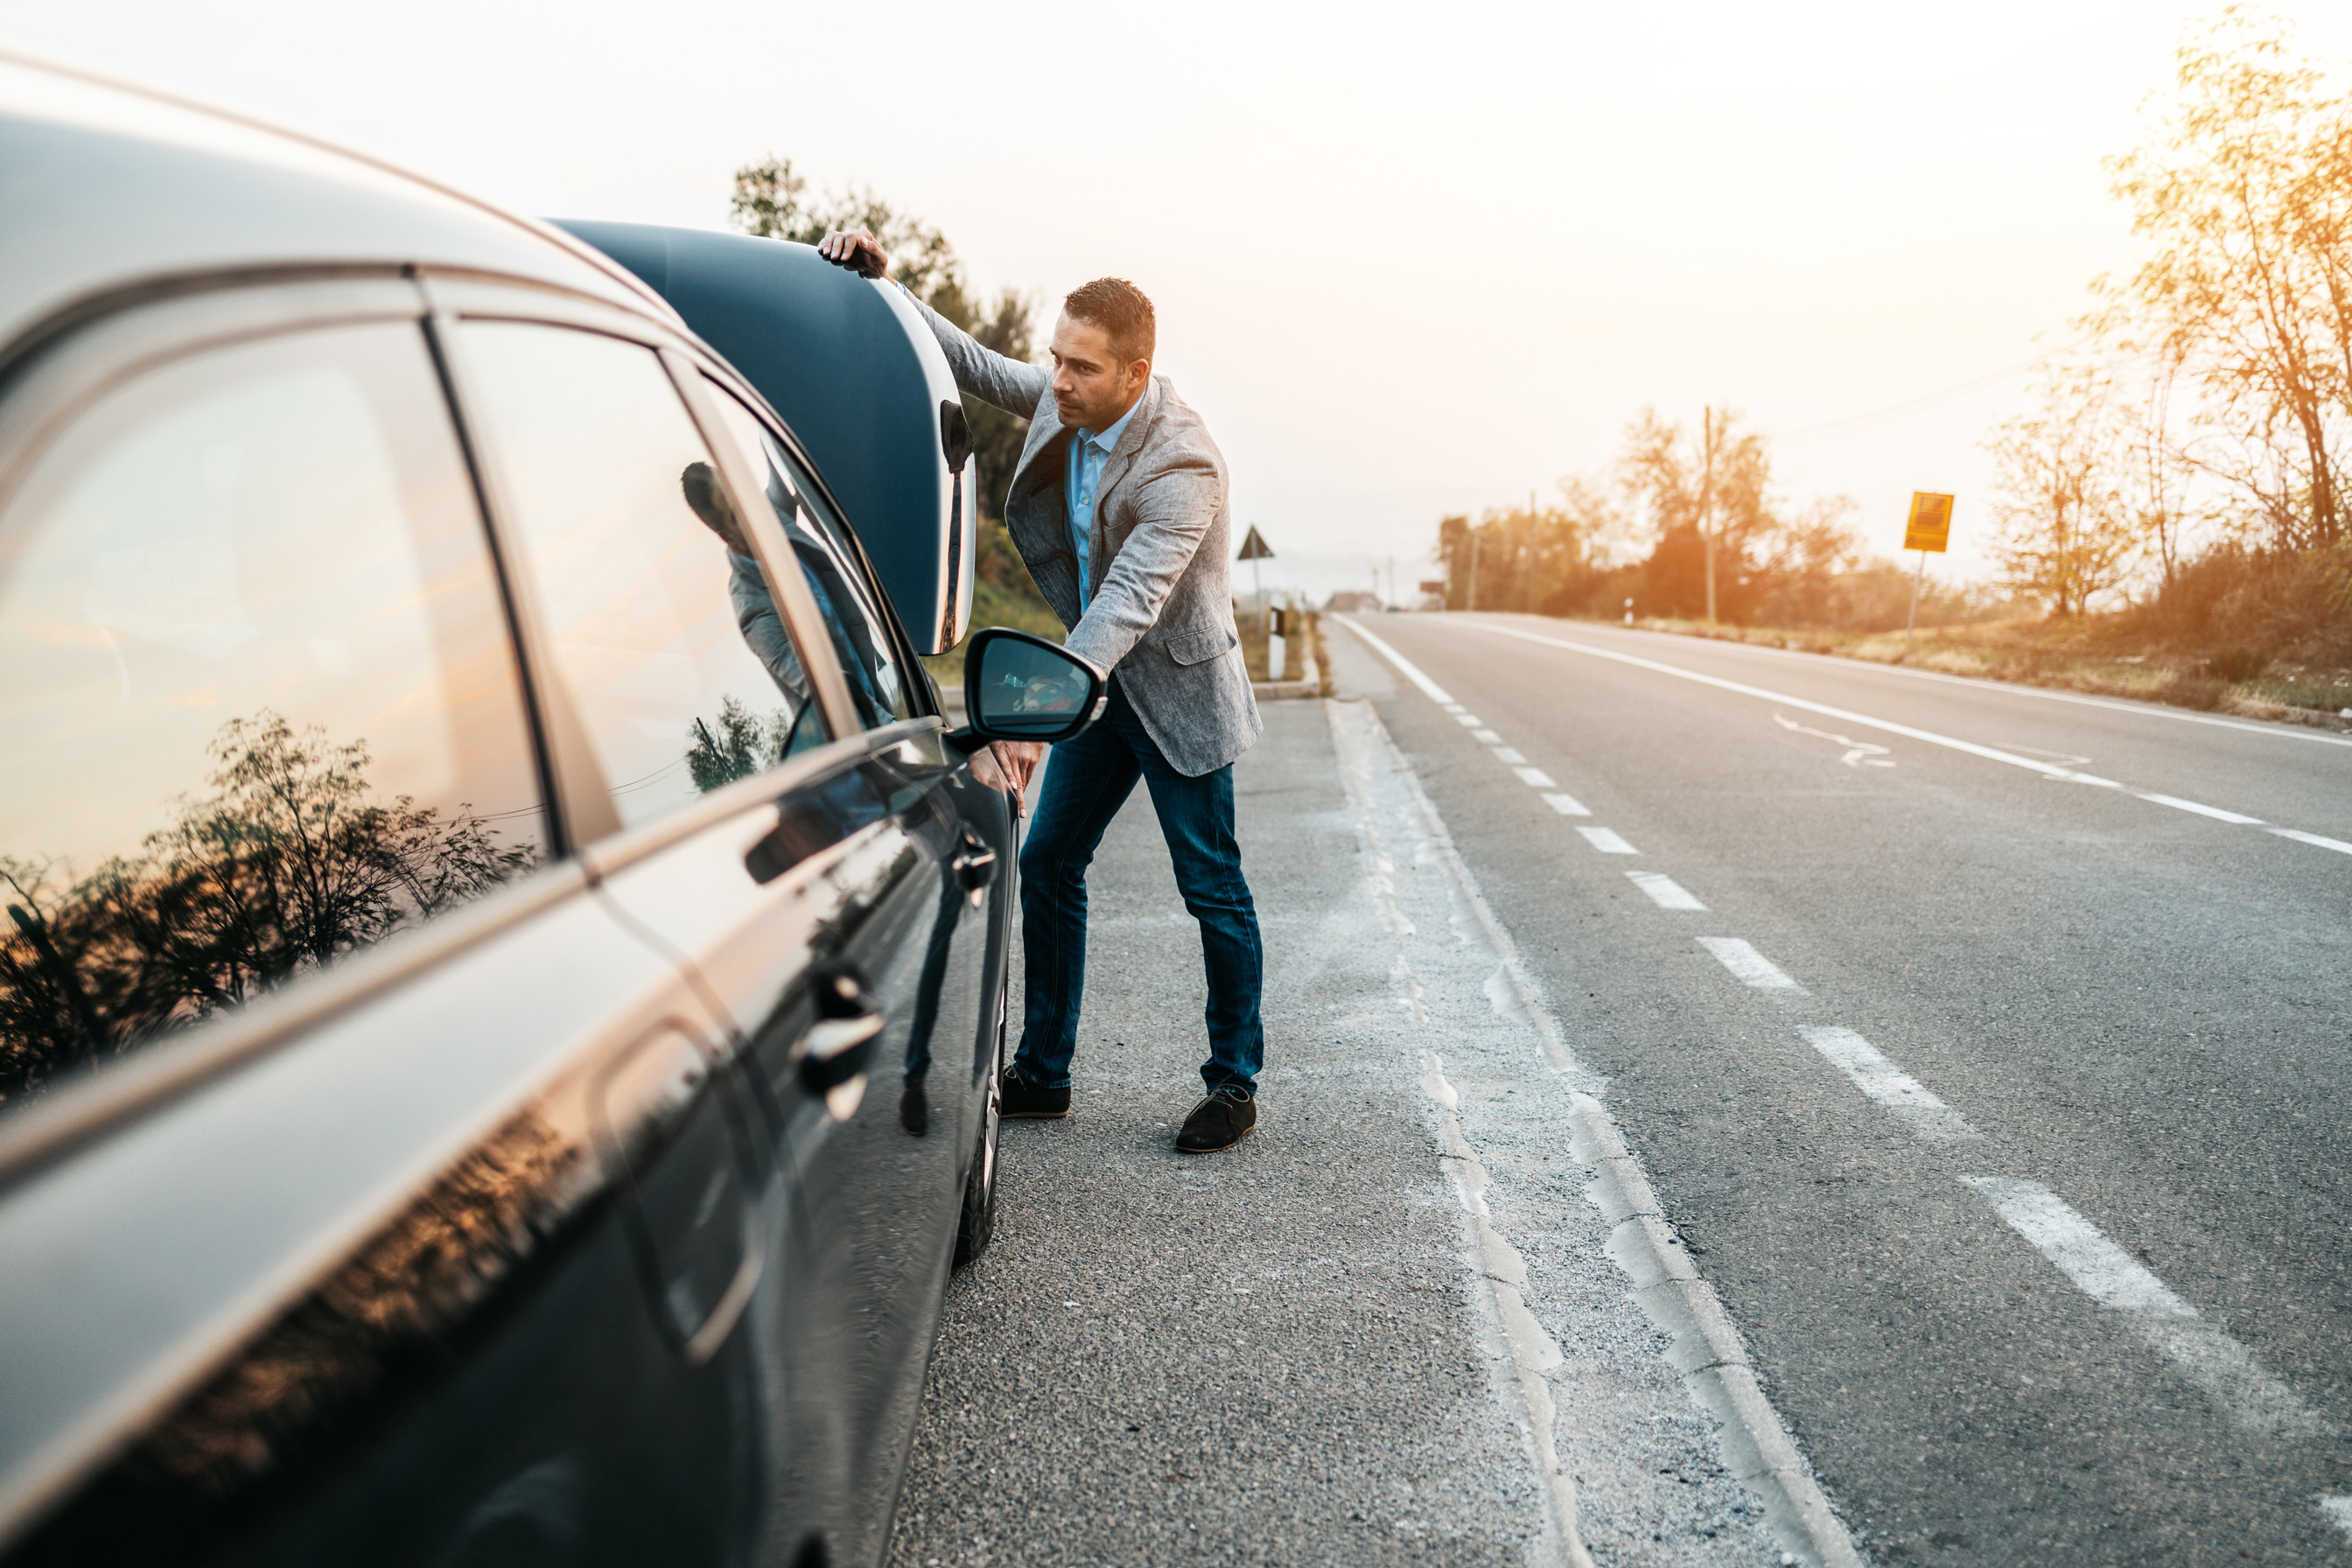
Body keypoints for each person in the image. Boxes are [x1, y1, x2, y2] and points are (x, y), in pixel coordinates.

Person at [819, 228, 1264, 1154]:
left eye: (1082, 369)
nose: (1058, 381)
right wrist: (883, 287)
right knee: (1050, 860)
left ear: (1136, 374)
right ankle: (1045, 1071)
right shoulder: (1070, 399)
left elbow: (1130, 601)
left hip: (1173, 692)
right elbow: (977, 364)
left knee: (1210, 885)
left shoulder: (1185, 464)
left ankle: (1233, 1083)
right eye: (1058, 359)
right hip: (1101, 691)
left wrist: (1041, 706)